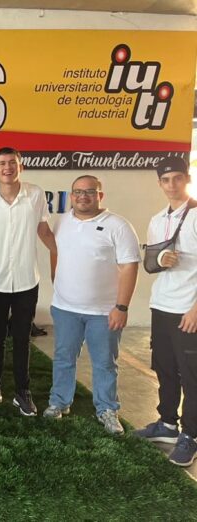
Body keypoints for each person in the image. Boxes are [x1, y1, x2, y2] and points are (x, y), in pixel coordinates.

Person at [43, 175, 140, 435]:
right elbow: (56, 251)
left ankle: (107, 409)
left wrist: (121, 307)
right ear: (71, 195)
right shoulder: (62, 221)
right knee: (63, 358)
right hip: (65, 309)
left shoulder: (118, 225)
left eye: (89, 191)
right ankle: (59, 402)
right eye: (77, 192)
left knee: (104, 362)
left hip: (104, 312)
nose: (83, 196)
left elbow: (129, 267)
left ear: (100, 195)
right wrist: (56, 279)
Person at [0, 146, 56, 416]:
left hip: (26, 280)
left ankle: (22, 391)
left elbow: (44, 230)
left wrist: (62, 256)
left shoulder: (35, 194)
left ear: (20, 166)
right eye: (2, 163)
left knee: (22, 338)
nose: (7, 167)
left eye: (12, 162)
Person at [133, 157, 197, 466]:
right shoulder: (158, 219)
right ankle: (168, 424)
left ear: (187, 179)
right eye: (166, 179)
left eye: (177, 178)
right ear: (159, 183)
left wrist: (196, 309)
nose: (172, 184)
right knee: (165, 368)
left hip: (188, 309)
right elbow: (151, 261)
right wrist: (161, 261)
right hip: (161, 305)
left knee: (192, 375)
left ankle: (191, 436)